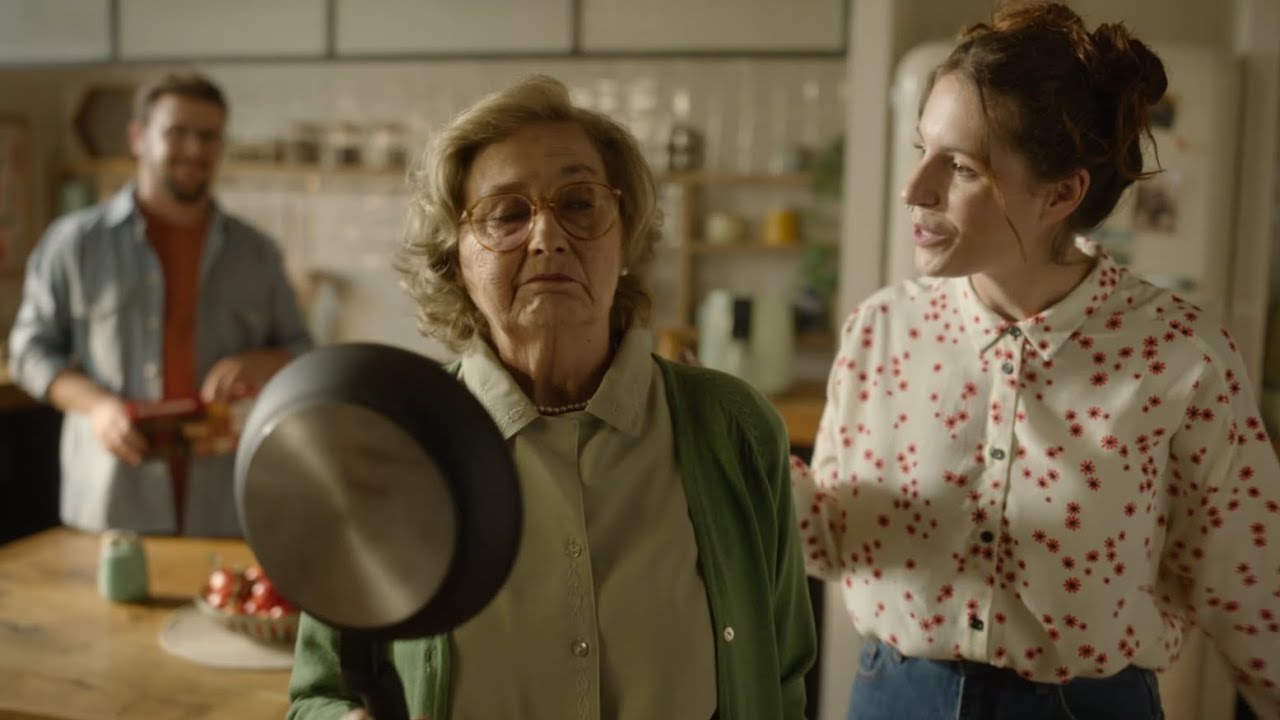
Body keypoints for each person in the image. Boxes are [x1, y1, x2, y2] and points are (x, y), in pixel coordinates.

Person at [792, 3, 1280, 719]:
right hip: (897, 698)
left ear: (1061, 192)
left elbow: (1249, 579)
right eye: (919, 147)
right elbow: (832, 541)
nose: (914, 189)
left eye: (957, 165)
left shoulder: (1181, 352)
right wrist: (750, 466)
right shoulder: (880, 330)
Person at [287, 75, 816, 720]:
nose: (547, 236)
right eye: (506, 214)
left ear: (624, 236)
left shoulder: (733, 427)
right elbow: (318, 694)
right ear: (457, 260)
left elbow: (783, 676)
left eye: (581, 203)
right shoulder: (394, 444)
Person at [8, 73, 312, 537]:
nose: (195, 149)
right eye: (177, 132)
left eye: (208, 136)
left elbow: (302, 350)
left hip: (225, 507)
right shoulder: (74, 245)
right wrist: (99, 407)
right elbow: (30, 353)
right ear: (138, 137)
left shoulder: (258, 253)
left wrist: (261, 361)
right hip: (110, 507)